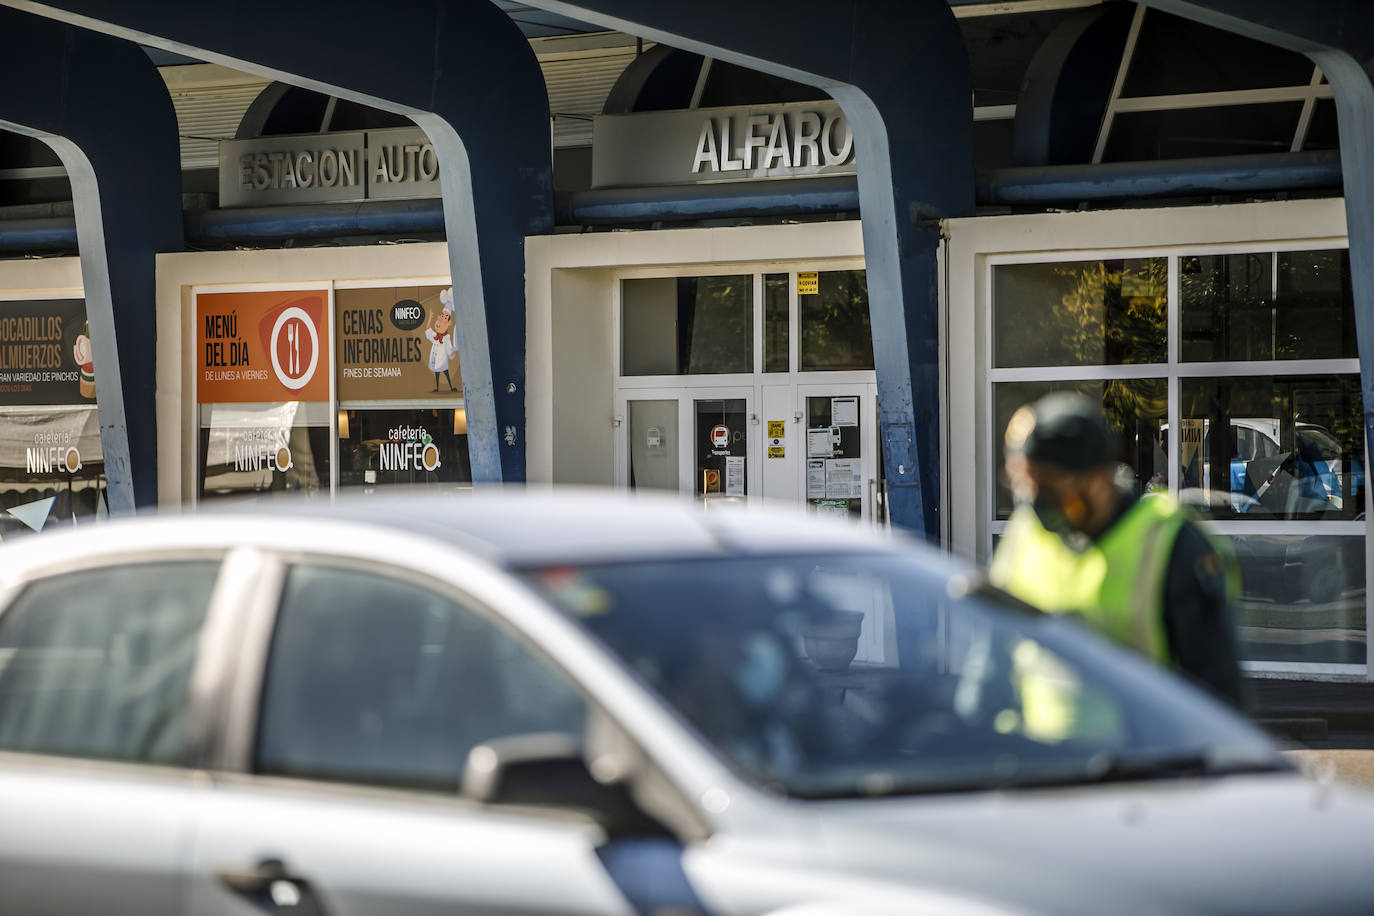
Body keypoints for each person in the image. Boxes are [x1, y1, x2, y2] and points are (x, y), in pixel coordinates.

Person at [989, 392, 1246, 709]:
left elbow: (1218, 691)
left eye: (1049, 485)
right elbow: (992, 656)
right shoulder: (1025, 532)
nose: (1033, 499)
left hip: (1142, 755)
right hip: (1041, 755)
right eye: (1022, 482)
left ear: (1097, 479)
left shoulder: (1170, 543)